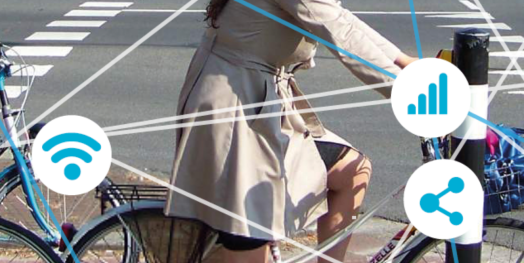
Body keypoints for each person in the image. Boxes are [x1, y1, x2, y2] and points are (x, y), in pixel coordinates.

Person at [167, 0, 418, 261]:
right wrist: (413, 95)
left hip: (255, 100)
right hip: (237, 110)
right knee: (250, 236)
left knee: (352, 171)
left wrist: (403, 62)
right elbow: (341, 35)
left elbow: (342, 19)